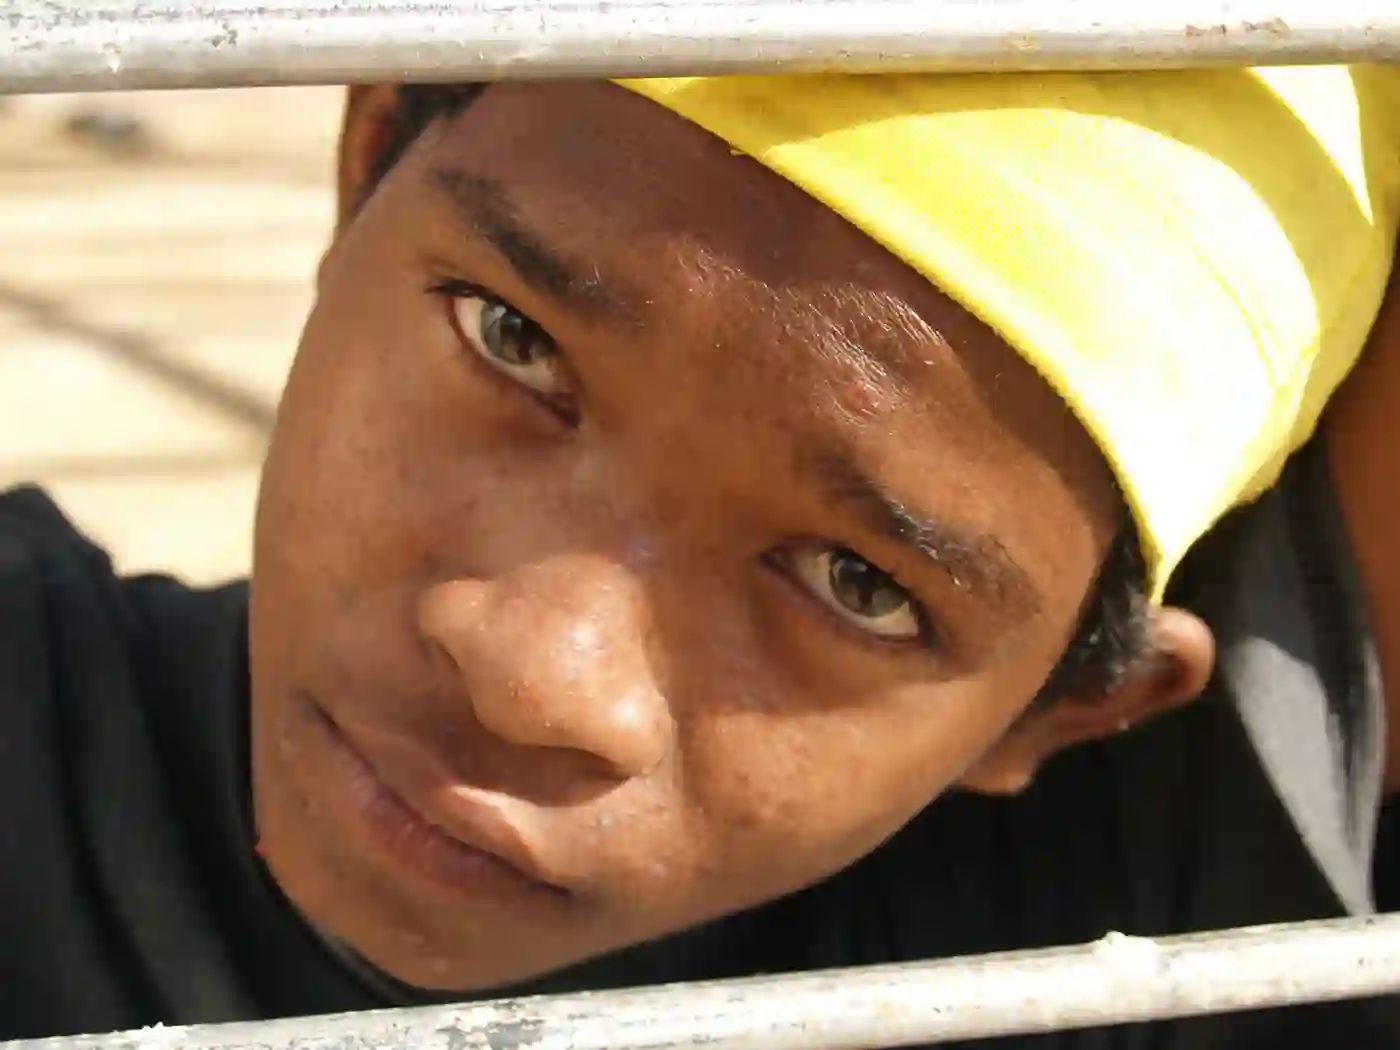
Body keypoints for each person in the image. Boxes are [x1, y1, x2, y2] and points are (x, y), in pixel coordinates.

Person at [3, 66, 1400, 1049]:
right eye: (510, 337)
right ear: (366, 164)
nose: (534, 673)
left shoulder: (1120, 955)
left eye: (859, 584)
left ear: (1061, 711)